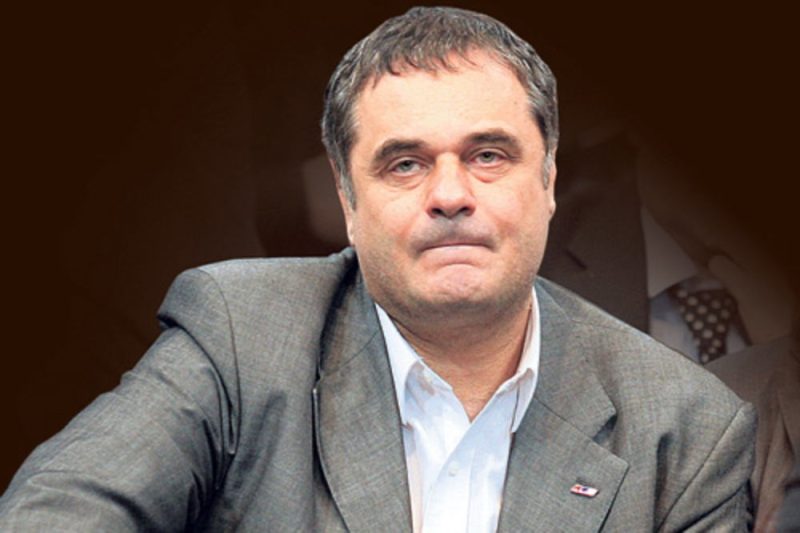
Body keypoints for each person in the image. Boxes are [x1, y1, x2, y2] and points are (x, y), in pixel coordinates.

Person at [0, 7, 755, 531]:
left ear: (549, 180)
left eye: (488, 154)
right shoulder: (240, 339)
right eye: (405, 164)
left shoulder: (687, 428)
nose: (451, 195)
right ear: (347, 200)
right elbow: (52, 515)